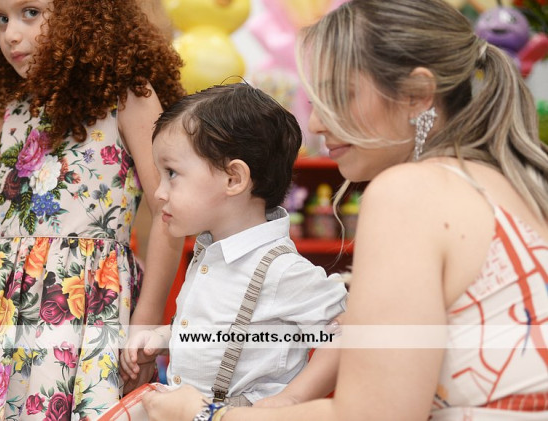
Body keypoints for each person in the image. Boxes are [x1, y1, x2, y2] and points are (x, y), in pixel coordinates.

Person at [138, 0, 548, 420]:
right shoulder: (509, 183)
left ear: (416, 95)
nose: (316, 124)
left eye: (337, 96)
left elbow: (373, 413)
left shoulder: (410, 191)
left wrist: (204, 414)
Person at [0, 0, 185, 419]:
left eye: (30, 12)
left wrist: (146, 319)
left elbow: (168, 209)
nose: (11, 34)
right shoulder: (20, 108)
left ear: (82, 14)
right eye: (1, 19)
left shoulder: (127, 96)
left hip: (85, 303)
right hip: (2, 303)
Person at [119, 83, 347, 406]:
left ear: (233, 179)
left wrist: (292, 398)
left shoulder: (281, 270)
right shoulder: (209, 255)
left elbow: (348, 331)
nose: (159, 192)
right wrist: (162, 338)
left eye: (172, 173)